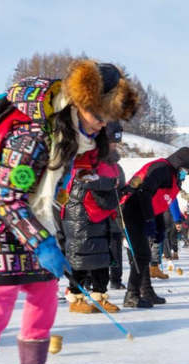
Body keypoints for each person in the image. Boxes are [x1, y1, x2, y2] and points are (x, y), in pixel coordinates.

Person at [0, 60, 139, 364]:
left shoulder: (72, 135)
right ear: (80, 104)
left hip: (27, 213)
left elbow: (45, 187)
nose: (101, 126)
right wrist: (42, 242)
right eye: (99, 117)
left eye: (107, 120)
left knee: (44, 285)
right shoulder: (34, 133)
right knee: (0, 292)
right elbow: (8, 196)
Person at [121, 148, 189, 308]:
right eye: (185, 169)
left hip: (143, 212)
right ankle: (131, 295)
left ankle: (146, 291)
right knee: (141, 254)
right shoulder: (161, 169)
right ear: (179, 163)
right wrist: (149, 220)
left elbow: (159, 203)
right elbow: (143, 193)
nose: (185, 173)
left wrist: (160, 227)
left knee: (144, 255)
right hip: (131, 210)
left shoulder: (173, 177)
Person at [62, 119, 123, 314]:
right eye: (112, 142)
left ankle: (99, 296)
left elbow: (113, 186)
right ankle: (76, 297)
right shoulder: (87, 154)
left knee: (102, 257)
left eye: (116, 143)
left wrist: (122, 188)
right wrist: (111, 183)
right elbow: (83, 176)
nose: (114, 147)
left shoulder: (110, 162)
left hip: (100, 214)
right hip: (81, 213)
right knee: (80, 256)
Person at [106, 122, 127, 291]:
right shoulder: (92, 162)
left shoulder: (117, 167)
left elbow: (122, 191)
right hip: (94, 215)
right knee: (94, 247)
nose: (114, 146)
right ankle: (91, 278)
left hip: (114, 215)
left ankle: (115, 278)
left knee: (115, 248)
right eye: (111, 142)